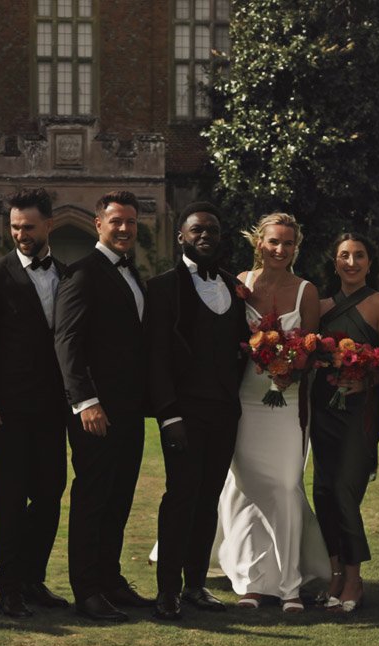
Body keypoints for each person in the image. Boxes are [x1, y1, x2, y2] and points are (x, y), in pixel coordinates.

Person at [219, 212, 329, 613]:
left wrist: (293, 370)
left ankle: (289, 585)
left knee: (284, 486)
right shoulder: (239, 285)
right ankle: (253, 581)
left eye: (288, 244)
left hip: (287, 405)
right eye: (273, 242)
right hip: (245, 402)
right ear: (259, 243)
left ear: (296, 248)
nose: (280, 250)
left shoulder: (306, 292)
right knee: (248, 489)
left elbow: (313, 349)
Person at [53, 190, 153, 623]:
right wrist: (85, 401)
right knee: (94, 498)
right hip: (96, 411)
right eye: (117, 221)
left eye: (131, 222)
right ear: (98, 224)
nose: (125, 229)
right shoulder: (82, 273)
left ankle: (110, 581)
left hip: (130, 409)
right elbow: (67, 342)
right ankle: (87, 590)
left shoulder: (133, 272)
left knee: (119, 497)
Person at [0, 189, 72, 619]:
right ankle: (9, 586)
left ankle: (33, 579)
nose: (20, 234)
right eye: (14, 227)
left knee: (50, 495)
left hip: (54, 409)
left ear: (49, 225)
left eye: (28, 227)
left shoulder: (68, 275)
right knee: (10, 499)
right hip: (8, 410)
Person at [145, 202, 248, 621]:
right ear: (181, 236)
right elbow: (154, 358)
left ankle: (196, 585)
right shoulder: (162, 287)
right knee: (181, 498)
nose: (205, 236)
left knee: (208, 501)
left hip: (225, 411)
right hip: (183, 414)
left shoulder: (232, 286)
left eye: (213, 231)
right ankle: (167, 590)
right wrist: (169, 414)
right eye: (197, 230)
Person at [311, 233, 379, 613]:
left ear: (369, 262)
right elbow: (309, 354)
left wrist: (365, 378)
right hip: (323, 408)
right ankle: (332, 572)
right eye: (344, 256)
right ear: (335, 262)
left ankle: (354, 577)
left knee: (346, 490)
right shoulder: (322, 304)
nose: (351, 262)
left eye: (359, 255)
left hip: (361, 408)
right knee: (323, 491)